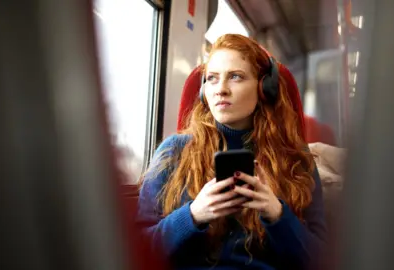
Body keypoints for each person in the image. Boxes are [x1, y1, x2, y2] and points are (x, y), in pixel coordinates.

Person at [137, 34, 327, 270]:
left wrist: (277, 214)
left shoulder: (296, 158)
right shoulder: (174, 151)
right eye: (212, 79)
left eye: (235, 77)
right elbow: (139, 250)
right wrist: (193, 215)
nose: (221, 90)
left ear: (263, 88)